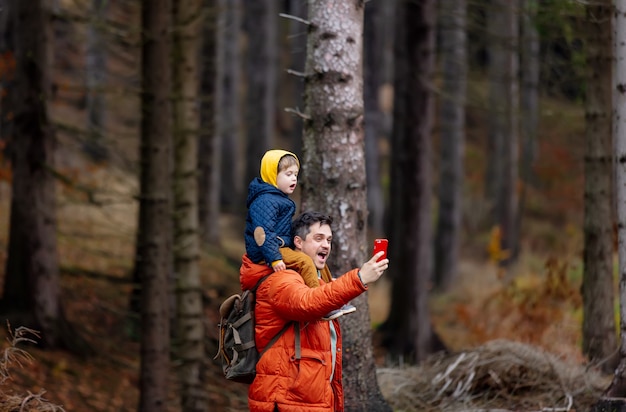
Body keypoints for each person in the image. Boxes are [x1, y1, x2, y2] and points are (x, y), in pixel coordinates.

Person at [239, 211, 389, 411]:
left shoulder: (311, 280)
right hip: (284, 401)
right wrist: (359, 278)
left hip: (304, 400)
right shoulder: (281, 278)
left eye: (329, 239)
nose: (326, 245)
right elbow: (307, 303)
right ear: (298, 242)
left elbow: (319, 298)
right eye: (318, 238)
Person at [244, 149, 355, 320]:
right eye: (288, 174)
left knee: (318, 264)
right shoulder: (265, 200)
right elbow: (262, 233)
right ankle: (320, 303)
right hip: (265, 251)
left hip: (279, 245)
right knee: (304, 261)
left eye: (296, 174)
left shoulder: (278, 198)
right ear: (272, 174)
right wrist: (274, 258)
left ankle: (332, 296)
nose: (294, 179)